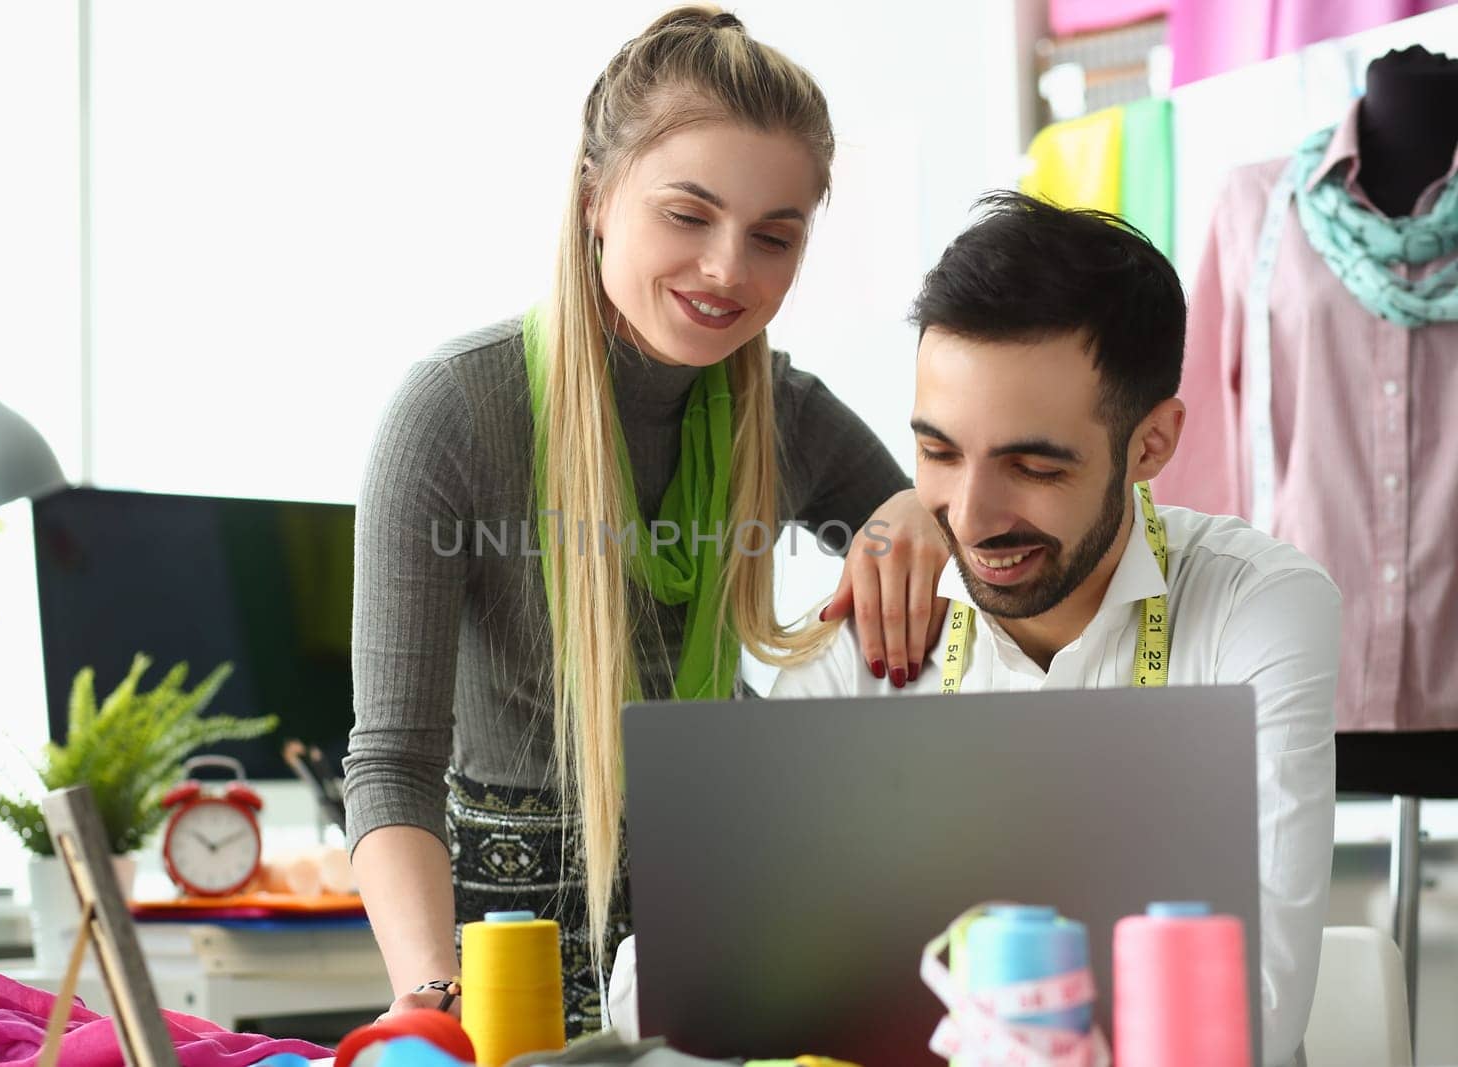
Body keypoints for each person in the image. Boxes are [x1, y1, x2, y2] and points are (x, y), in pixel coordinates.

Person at [345, 5, 950, 1036]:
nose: (729, 269)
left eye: (774, 236)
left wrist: (916, 510)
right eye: (688, 214)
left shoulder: (785, 412)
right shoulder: (452, 412)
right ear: (594, 197)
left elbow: (946, 549)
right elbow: (391, 761)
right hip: (505, 960)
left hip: (731, 919)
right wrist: (432, 994)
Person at [772, 192, 1339, 1067]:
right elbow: (715, 979)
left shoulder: (1256, 608)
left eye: (1032, 466)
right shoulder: (868, 625)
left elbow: (1252, 1012)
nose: (971, 516)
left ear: (1151, 445)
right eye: (939, 452)